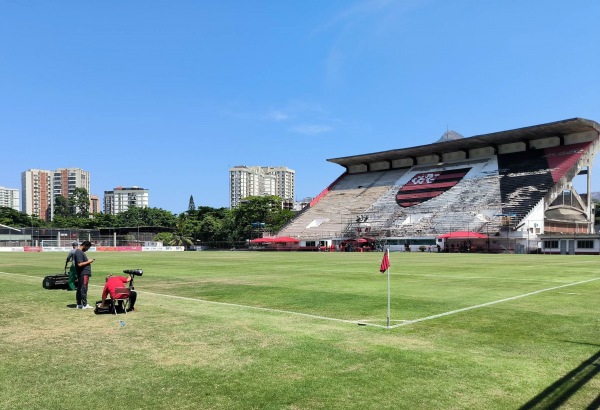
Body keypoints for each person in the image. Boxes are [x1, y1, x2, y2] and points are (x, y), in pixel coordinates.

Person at [73, 240, 95, 309]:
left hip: (82, 273)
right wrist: (89, 261)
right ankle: (84, 304)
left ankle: (79, 304)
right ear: (84, 246)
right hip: (83, 273)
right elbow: (79, 264)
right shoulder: (79, 252)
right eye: (87, 248)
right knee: (83, 288)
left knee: (80, 288)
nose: (87, 250)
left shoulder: (79, 252)